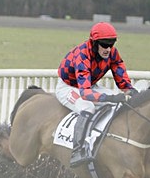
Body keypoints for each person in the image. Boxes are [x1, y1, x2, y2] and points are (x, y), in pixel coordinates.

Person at [56, 22, 137, 167]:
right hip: (68, 87)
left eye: (111, 44)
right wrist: (110, 98)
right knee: (87, 107)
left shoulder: (112, 53)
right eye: (104, 44)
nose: (108, 49)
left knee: (116, 101)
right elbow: (85, 93)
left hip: (90, 85)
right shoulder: (82, 55)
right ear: (94, 43)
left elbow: (121, 77)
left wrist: (130, 91)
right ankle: (77, 151)